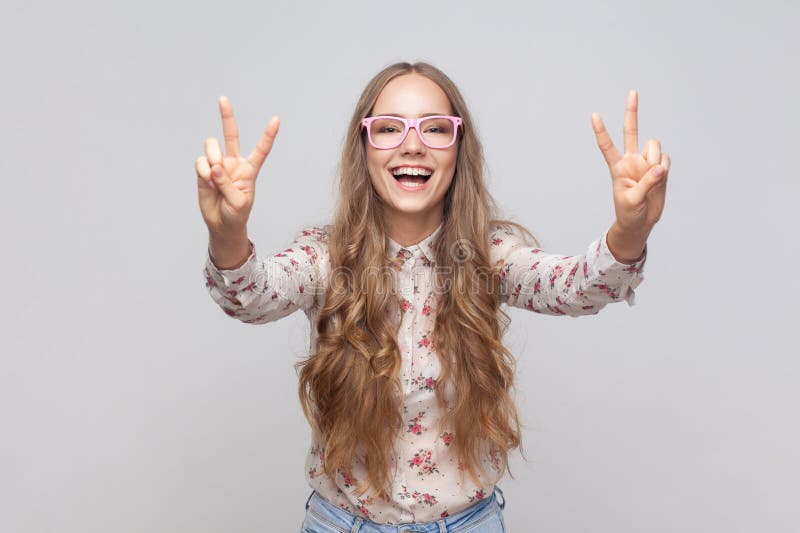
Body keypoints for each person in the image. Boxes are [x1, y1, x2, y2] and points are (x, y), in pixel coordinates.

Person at [195, 61, 670, 532]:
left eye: (435, 128)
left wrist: (629, 230)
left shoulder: (490, 253)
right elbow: (252, 296)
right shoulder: (325, 255)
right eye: (389, 128)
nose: (414, 145)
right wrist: (228, 232)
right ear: (363, 148)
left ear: (459, 148)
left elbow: (576, 287)